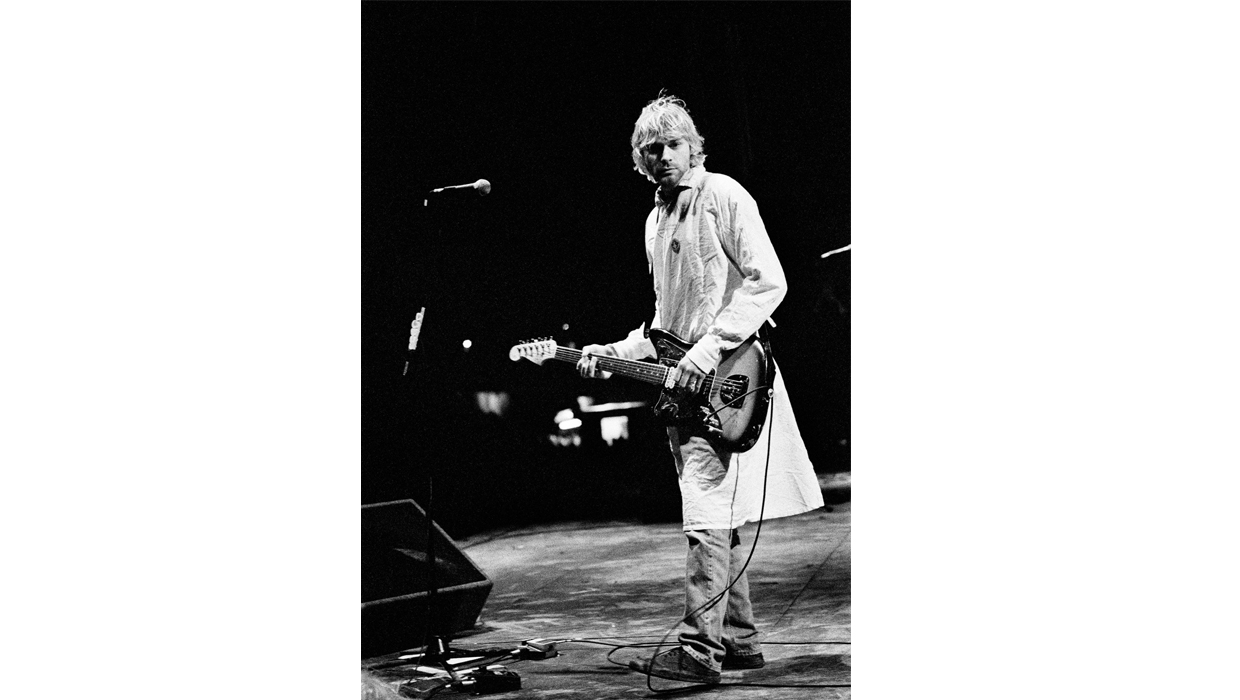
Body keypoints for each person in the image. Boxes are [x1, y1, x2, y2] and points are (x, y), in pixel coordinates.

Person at [577, 93, 824, 685]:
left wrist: (707, 352)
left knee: (705, 512)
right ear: (639, 159)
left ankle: (698, 651)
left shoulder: (723, 195)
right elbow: (665, 324)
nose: (663, 155)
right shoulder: (654, 221)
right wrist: (613, 354)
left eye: (673, 144)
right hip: (686, 388)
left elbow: (769, 282)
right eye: (651, 149)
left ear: (693, 147)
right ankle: (738, 640)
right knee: (719, 513)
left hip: (728, 377)